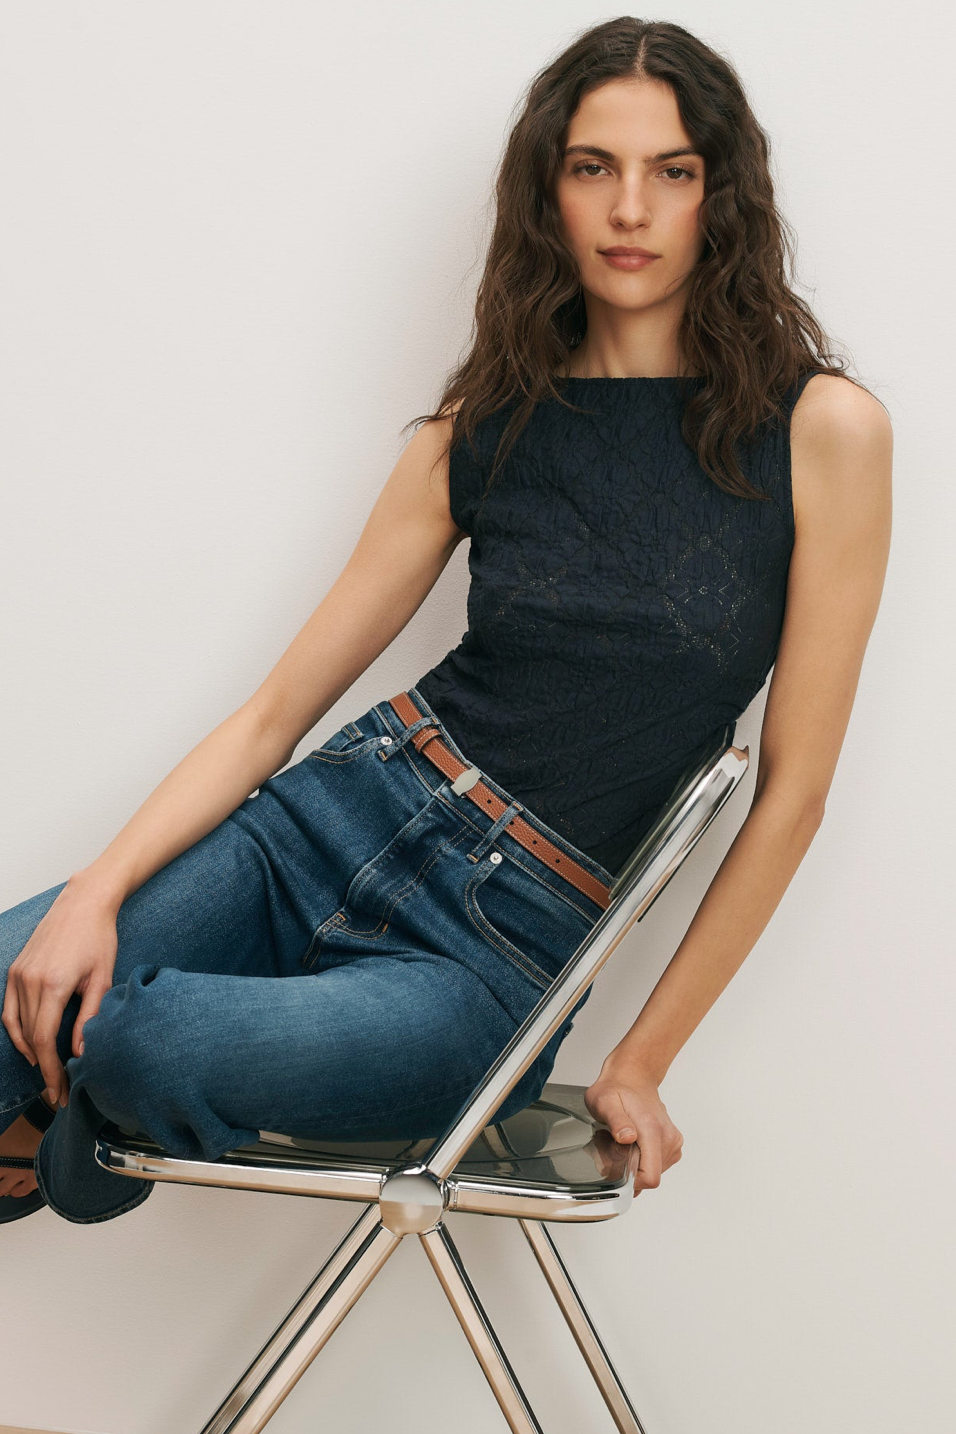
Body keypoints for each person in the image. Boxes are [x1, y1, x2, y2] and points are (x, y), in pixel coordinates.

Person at [0, 16, 891, 1225]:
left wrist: (640, 1058)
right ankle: (54, 1113)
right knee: (21, 974)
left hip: (494, 951)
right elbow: (273, 715)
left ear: (718, 197)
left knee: (134, 1038)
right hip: (335, 812)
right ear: (548, 193)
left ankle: (54, 1116)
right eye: (592, 168)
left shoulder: (820, 431)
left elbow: (791, 793)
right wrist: (94, 893)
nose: (628, 208)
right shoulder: (478, 425)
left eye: (669, 171)